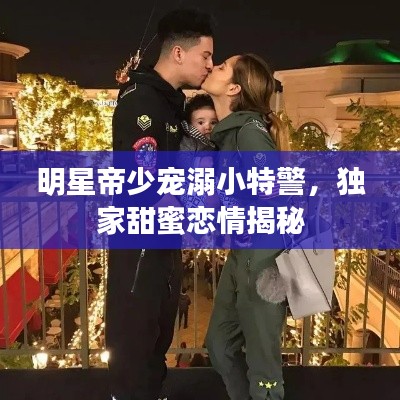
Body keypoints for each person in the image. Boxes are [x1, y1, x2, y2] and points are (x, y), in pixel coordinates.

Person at [105, 8, 214, 400]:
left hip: (163, 240)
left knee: (158, 332)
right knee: (136, 332)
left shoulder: (170, 102)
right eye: (206, 55)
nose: (210, 64)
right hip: (140, 242)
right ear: (179, 53)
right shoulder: (143, 102)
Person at [202, 53, 290, 400]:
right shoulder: (232, 132)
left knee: (264, 367)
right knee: (219, 344)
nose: (213, 66)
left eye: (222, 66)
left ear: (234, 88)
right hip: (242, 255)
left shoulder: (249, 133)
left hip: (264, 260)